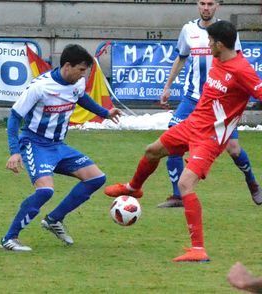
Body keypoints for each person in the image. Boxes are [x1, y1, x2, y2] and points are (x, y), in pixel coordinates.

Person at [105, 20, 262, 262]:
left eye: (210, 41)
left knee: (185, 184)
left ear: (220, 44)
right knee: (152, 151)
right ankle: (134, 188)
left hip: (210, 137)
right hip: (192, 124)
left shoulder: (242, 70)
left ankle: (198, 249)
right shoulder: (220, 60)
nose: (207, 44)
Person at [0, 44, 121, 251]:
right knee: (45, 191)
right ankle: (9, 238)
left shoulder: (77, 83)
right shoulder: (40, 87)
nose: (84, 75)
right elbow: (14, 118)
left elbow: (81, 97)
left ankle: (54, 219)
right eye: (81, 70)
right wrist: (14, 152)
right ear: (67, 66)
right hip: (35, 144)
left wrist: (105, 112)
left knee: (96, 178)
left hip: (58, 146)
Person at [158, 0, 261, 208]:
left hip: (220, 104)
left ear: (217, 6)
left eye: (210, 4)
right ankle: (178, 195)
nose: (206, 8)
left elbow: (238, 62)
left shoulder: (226, 31)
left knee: (233, 149)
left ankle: (252, 181)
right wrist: (167, 86)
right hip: (193, 98)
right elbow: (181, 57)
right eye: (202, 3)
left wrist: (241, 95)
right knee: (171, 142)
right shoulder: (188, 29)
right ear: (197, 5)